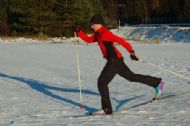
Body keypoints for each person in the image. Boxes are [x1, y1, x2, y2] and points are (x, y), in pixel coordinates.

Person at [75, 14, 164, 115]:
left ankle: (106, 109)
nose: (91, 26)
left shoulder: (105, 33)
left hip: (114, 61)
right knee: (132, 77)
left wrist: (131, 51)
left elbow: (121, 41)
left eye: (93, 24)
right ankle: (157, 83)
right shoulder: (98, 34)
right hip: (116, 60)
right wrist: (79, 32)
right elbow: (88, 40)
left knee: (102, 82)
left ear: (99, 24)